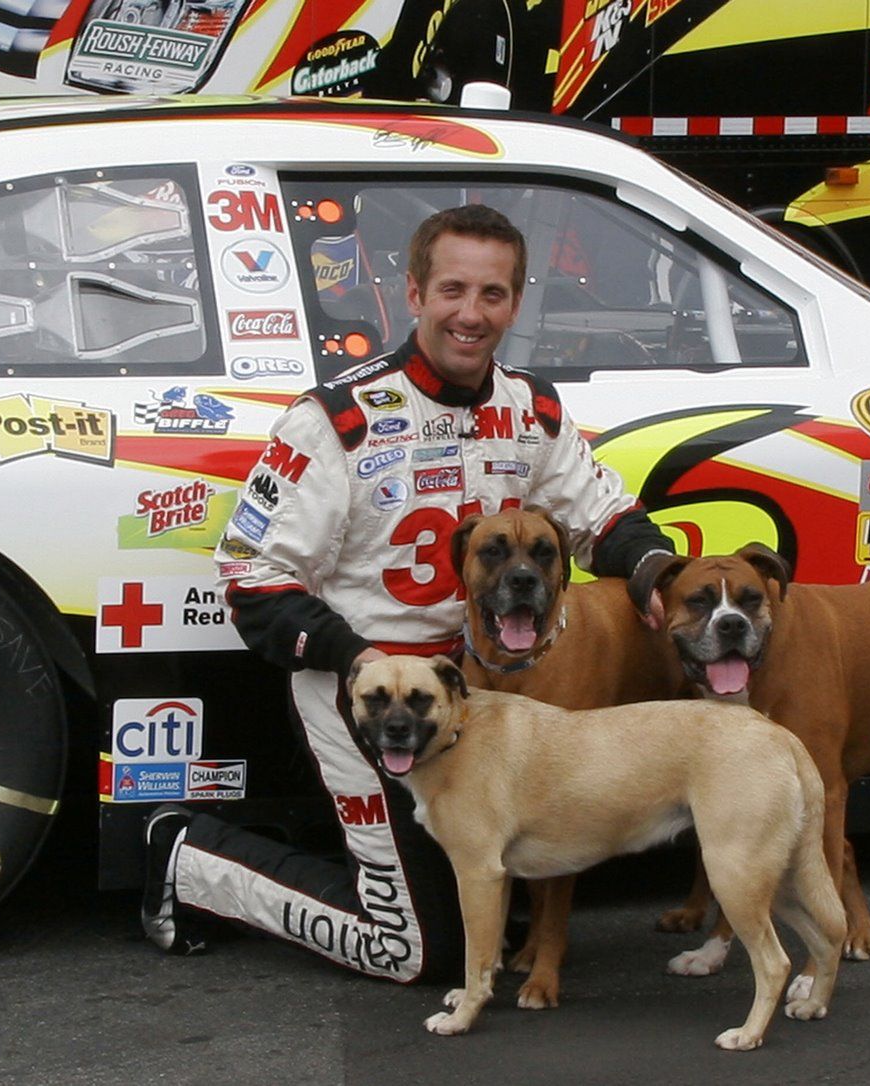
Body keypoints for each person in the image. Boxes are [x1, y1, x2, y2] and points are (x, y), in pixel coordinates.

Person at [140, 204, 674, 983]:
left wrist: (657, 570)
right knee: (412, 951)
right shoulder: (336, 420)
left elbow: (604, 517)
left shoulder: (533, 408)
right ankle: (185, 857)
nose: (471, 313)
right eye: (452, 289)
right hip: (368, 695)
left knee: (491, 892)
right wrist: (356, 661)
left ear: (515, 303)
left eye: (492, 294)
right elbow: (252, 580)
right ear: (414, 293)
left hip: (479, 704)